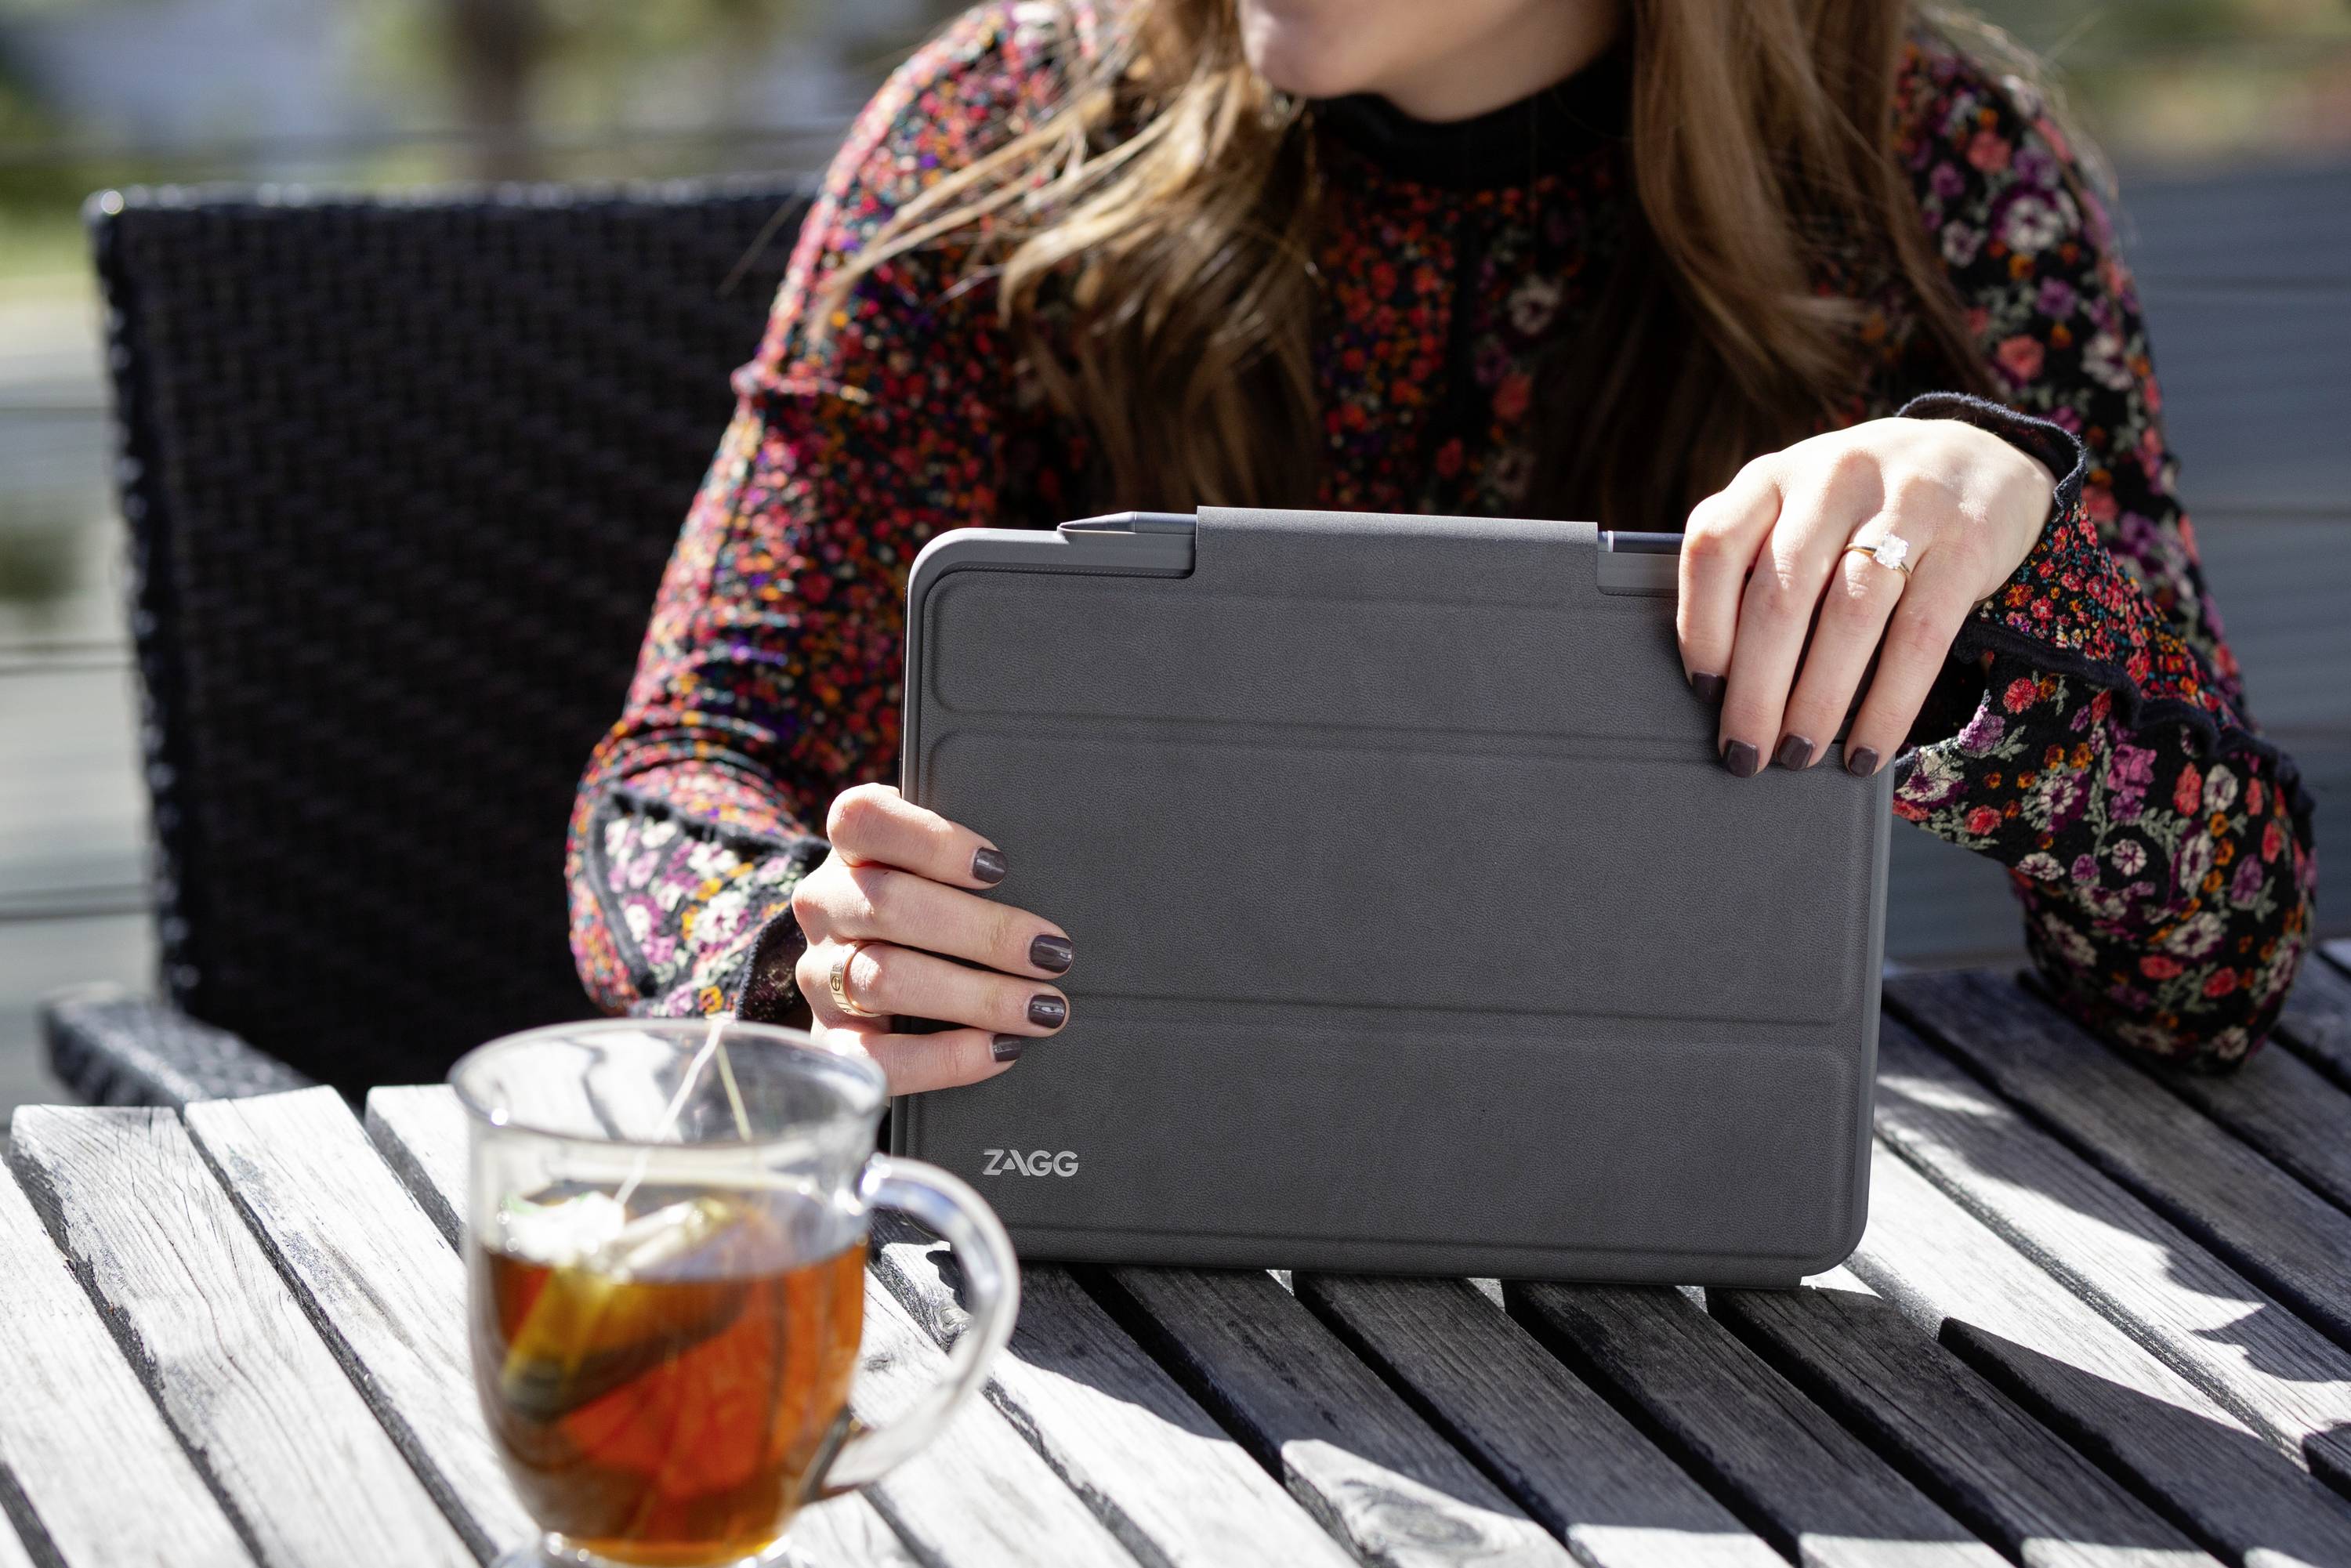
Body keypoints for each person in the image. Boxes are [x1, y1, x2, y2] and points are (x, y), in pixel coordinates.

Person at [566, 0, 2316, 1093]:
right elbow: (677, 778)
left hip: (1724, 1306)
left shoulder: (1937, 177)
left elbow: (2221, 954)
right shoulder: (1004, 135)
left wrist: (1988, 595)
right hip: (1084, 1269)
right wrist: (807, 952)